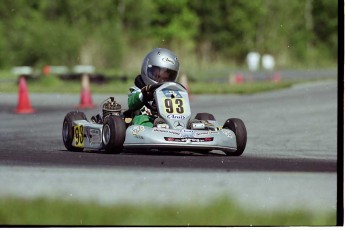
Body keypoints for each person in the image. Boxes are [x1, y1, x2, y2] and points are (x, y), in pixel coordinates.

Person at [127, 47, 180, 127]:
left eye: (165, 79)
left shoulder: (170, 92)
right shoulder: (139, 89)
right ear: (147, 69)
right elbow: (131, 103)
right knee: (141, 119)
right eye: (158, 76)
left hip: (170, 120)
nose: (161, 81)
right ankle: (155, 129)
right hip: (148, 121)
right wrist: (143, 95)